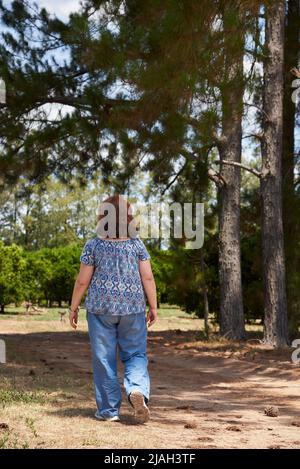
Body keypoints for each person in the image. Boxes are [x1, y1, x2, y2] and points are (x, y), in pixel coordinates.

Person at [69, 195, 158, 424]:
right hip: (133, 308)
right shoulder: (136, 243)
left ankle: (109, 411)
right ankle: (136, 389)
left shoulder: (93, 244)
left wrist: (73, 306)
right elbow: (147, 277)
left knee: (104, 358)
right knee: (135, 354)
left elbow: (82, 281)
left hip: (101, 309)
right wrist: (154, 306)